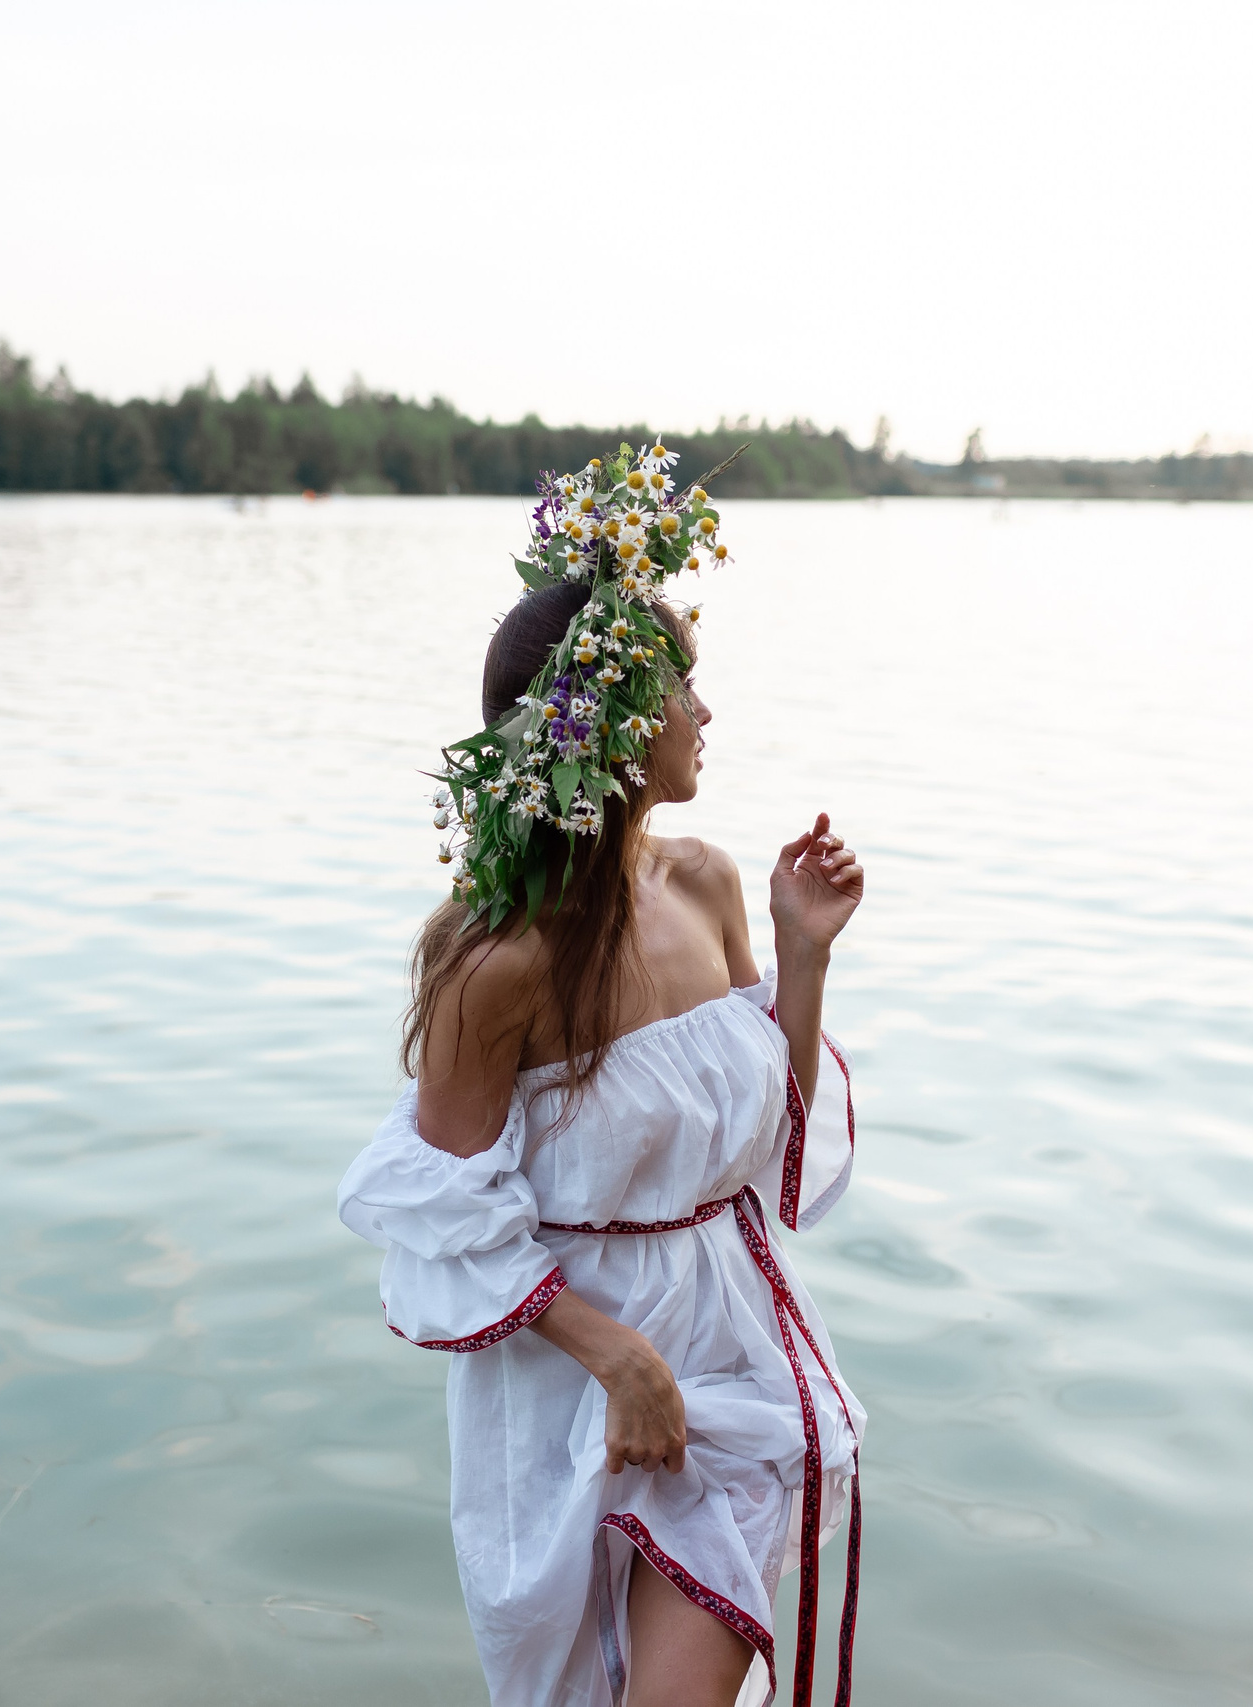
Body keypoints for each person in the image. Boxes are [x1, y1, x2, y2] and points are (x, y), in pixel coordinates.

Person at [339, 444, 868, 1707]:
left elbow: (766, 1141)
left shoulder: (707, 882)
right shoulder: (498, 963)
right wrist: (615, 1357)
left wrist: (801, 954)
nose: (704, 716)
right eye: (683, 689)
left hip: (729, 1346)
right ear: (618, 722)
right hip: (568, 1375)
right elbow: (444, 1215)